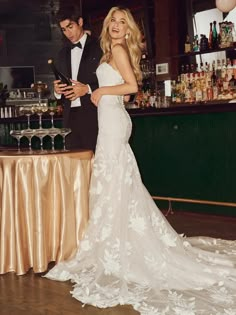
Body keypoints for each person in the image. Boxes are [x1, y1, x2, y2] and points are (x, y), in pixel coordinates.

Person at [45, 6, 236, 315]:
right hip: (110, 119)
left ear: (128, 29)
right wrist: (101, 92)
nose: (118, 26)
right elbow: (126, 92)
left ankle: (114, 247)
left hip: (112, 123)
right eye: (114, 22)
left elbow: (132, 88)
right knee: (115, 181)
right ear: (107, 26)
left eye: (123, 22)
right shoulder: (111, 49)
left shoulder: (117, 49)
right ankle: (113, 241)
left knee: (111, 179)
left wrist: (102, 89)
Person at [52, 5, 102, 151]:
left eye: (70, 26)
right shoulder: (62, 53)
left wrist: (87, 89)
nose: (68, 33)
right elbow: (60, 91)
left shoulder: (99, 46)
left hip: (94, 115)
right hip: (69, 118)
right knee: (73, 165)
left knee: (94, 163)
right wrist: (57, 91)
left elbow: (110, 81)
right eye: (63, 29)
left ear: (80, 22)